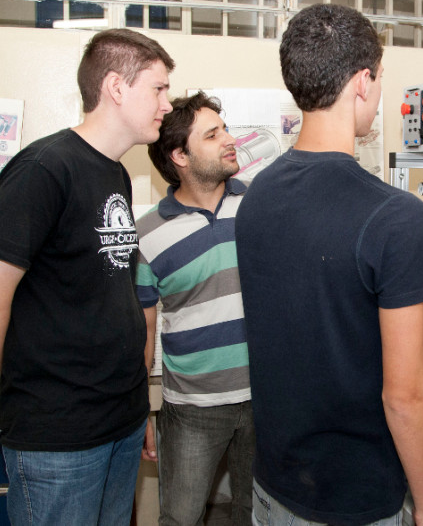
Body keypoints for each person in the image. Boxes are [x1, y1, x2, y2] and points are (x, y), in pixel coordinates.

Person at [234, 4, 423, 526]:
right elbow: (404, 395)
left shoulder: (257, 194)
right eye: (380, 81)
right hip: (355, 502)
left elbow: (315, 296)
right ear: (362, 81)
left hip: (275, 488)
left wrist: (406, 241)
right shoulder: (394, 219)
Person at [0, 28, 174, 525]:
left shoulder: (116, 172)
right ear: (117, 88)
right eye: (159, 88)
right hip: (57, 436)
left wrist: (137, 408)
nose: (167, 104)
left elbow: (109, 296)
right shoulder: (44, 168)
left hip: (119, 421)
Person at [136, 91, 255, 525]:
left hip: (266, 397)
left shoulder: (260, 207)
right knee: (180, 519)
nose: (229, 139)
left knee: (256, 515)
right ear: (180, 155)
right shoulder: (147, 235)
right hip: (192, 410)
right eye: (213, 134)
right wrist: (140, 411)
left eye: (223, 128)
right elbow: (143, 333)